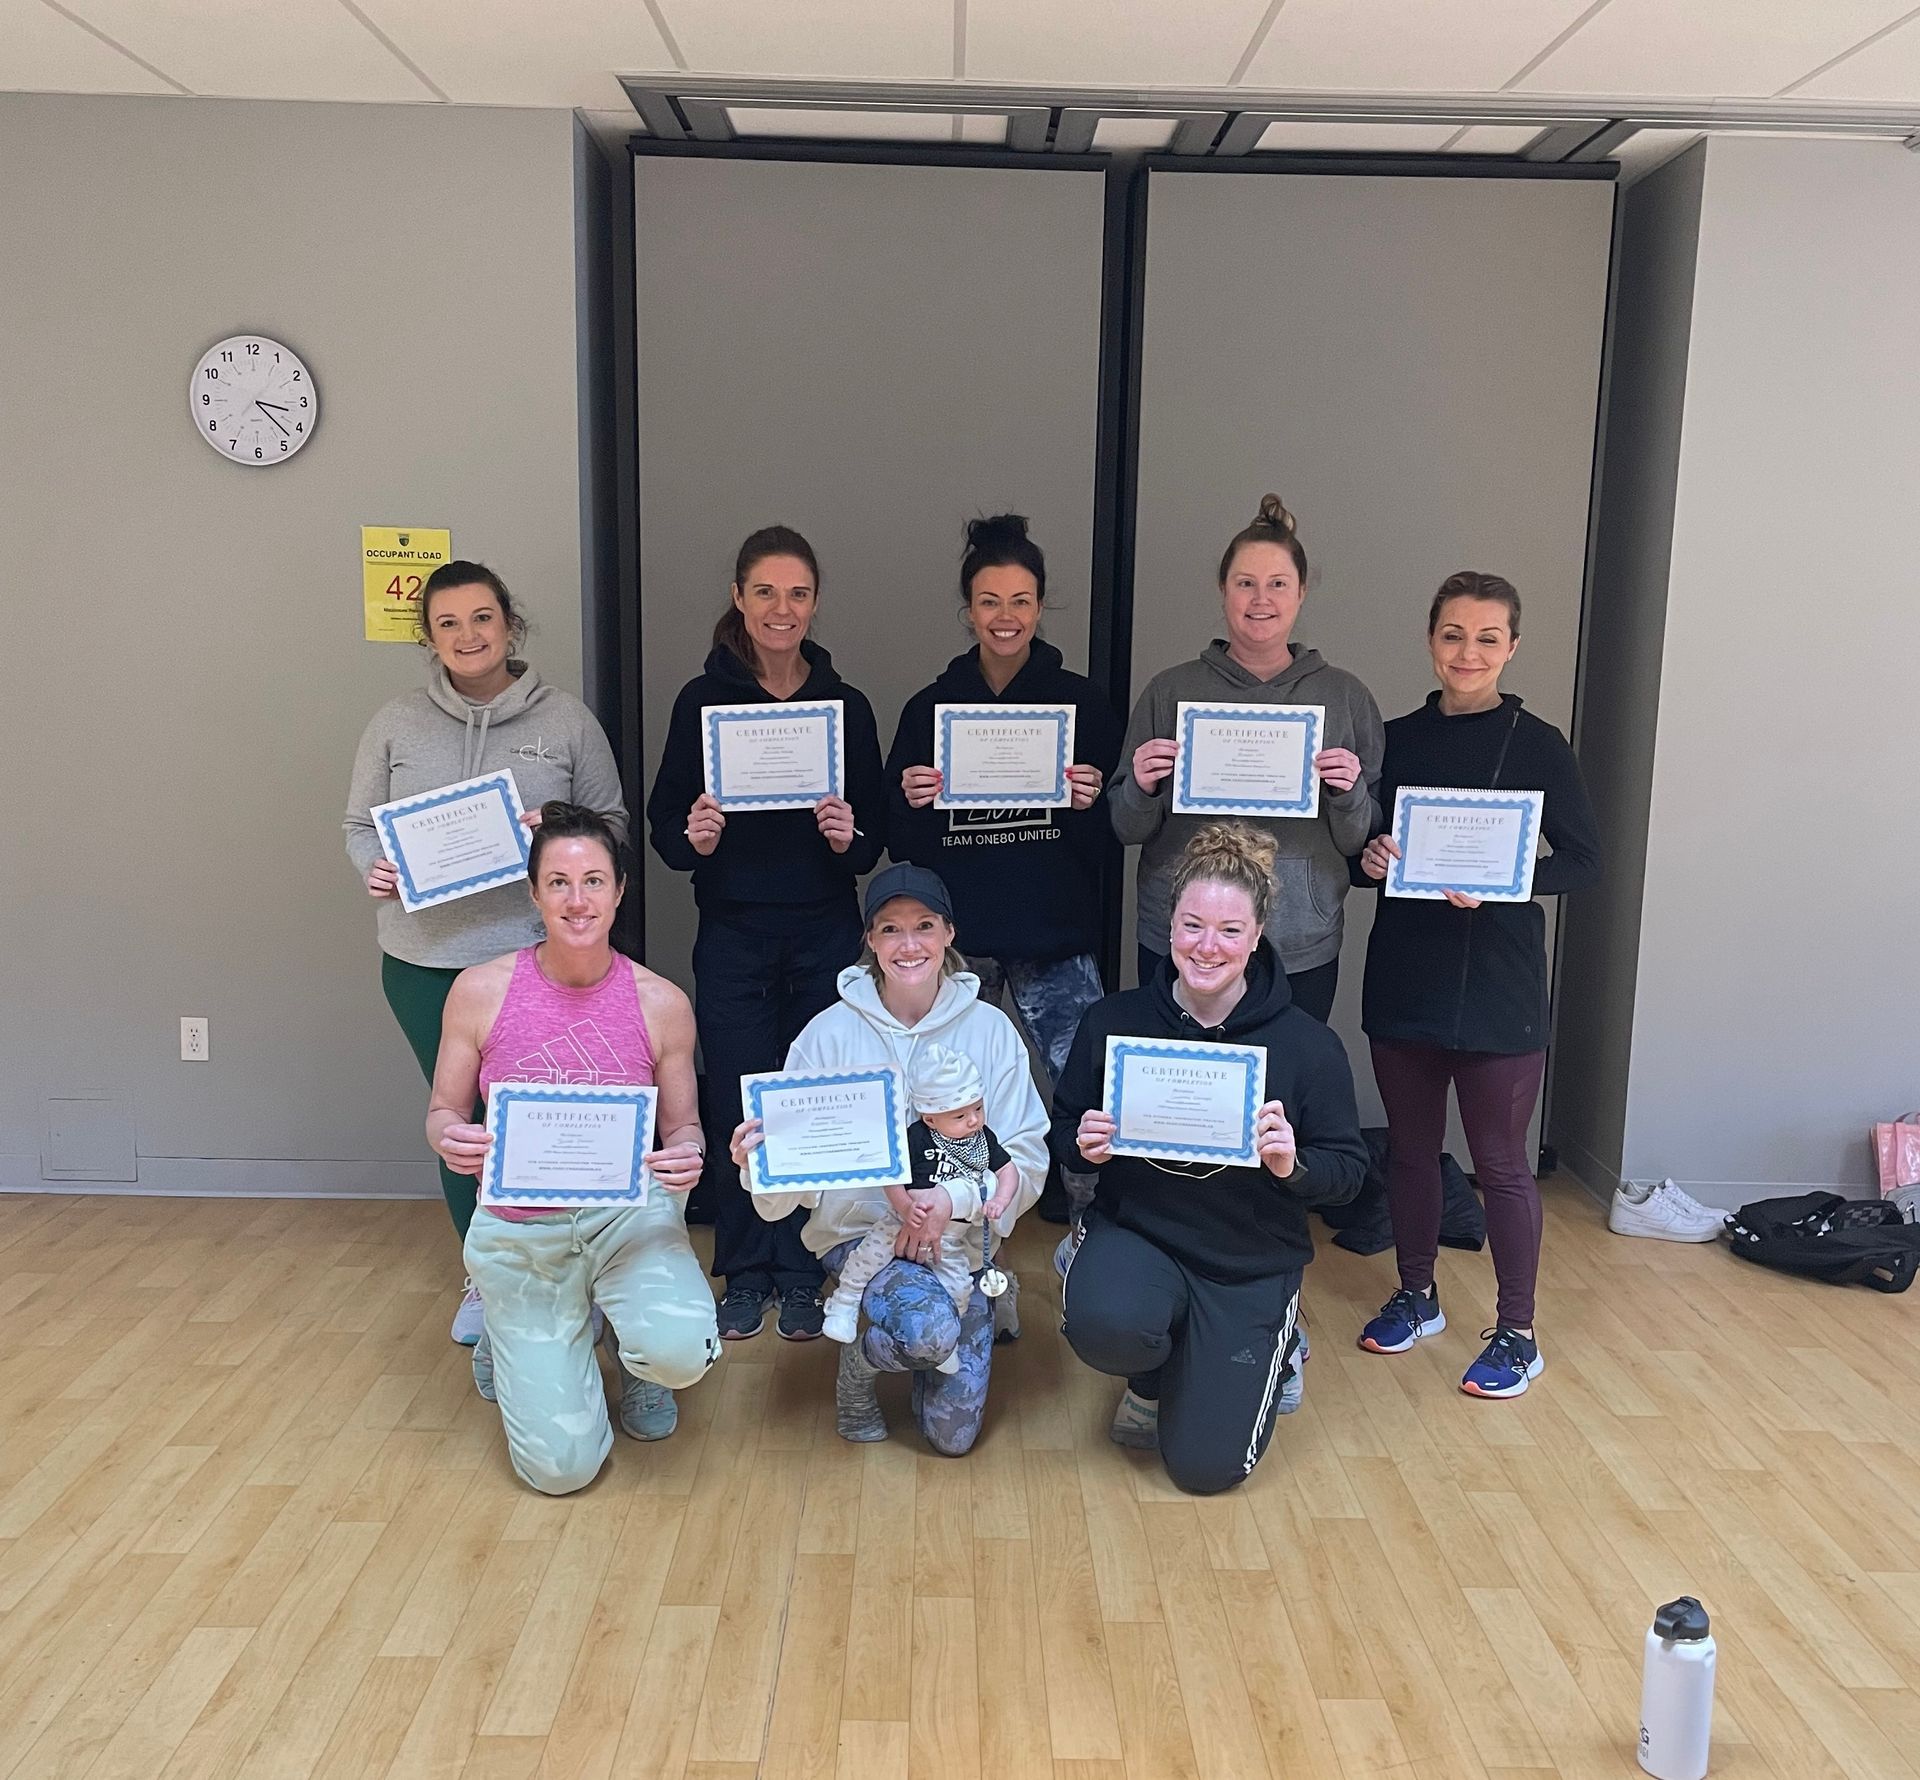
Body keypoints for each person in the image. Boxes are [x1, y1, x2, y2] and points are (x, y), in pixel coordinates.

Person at [345, 561, 628, 1346]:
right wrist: (373, 867)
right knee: (463, 1121)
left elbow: (611, 822)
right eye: (448, 624)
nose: (468, 636)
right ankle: (486, 1272)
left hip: (530, 956)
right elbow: (358, 825)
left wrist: (558, 826)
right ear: (429, 638)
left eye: (482, 619)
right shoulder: (396, 722)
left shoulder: (565, 720)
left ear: (509, 625)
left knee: (546, 1114)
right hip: (424, 959)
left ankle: (574, 1269)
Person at [1053, 823, 1367, 1495]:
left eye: (1230, 931)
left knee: (1203, 1471)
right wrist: (1082, 1144)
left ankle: (1276, 1348)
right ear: (1170, 926)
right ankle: (1152, 1370)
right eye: (1193, 925)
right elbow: (1060, 1128)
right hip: (1142, 1236)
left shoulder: (1307, 1047)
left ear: (1257, 938)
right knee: (1102, 1323)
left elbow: (1349, 1172)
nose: (1207, 946)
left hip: (1248, 1260)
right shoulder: (1113, 1023)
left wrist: (1293, 1165)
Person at [1352, 572, 1601, 1399]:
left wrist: (1508, 879)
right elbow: (1363, 852)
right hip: (1407, 977)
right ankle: (1417, 1294)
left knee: (1499, 1164)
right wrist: (1371, 858)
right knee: (1413, 1153)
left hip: (1498, 986)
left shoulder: (1540, 744)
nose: (1469, 652)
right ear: (1431, 640)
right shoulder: (1394, 739)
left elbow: (1585, 861)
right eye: (1454, 634)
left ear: (1513, 648)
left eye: (1487, 638)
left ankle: (1518, 1333)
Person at [425, 803, 719, 1495]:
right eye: (558, 882)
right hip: (522, 1229)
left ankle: (639, 1359)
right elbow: (441, 1111)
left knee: (682, 1354)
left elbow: (684, 1129)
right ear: (534, 892)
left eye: (593, 880)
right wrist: (451, 1137)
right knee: (561, 1472)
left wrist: (688, 1155)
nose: (577, 899)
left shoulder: (661, 1001)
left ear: (620, 889)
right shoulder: (479, 992)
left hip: (626, 1216)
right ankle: (517, 1328)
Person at [646, 526, 886, 1344]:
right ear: (740, 601)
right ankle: (746, 1272)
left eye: (798, 594)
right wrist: (697, 838)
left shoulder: (845, 707)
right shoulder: (700, 702)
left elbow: (874, 837)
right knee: (740, 1104)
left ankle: (804, 1267)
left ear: (815, 603)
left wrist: (850, 833)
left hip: (824, 931)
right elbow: (664, 830)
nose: (781, 610)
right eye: (765, 593)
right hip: (735, 933)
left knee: (815, 1102)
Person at [730, 863, 1048, 1452]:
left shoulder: (991, 1030)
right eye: (890, 929)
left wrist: (948, 1202)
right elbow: (782, 1201)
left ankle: (934, 1322)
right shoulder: (826, 1035)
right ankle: (861, 1368)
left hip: (960, 1242)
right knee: (928, 1334)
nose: (908, 945)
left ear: (949, 934)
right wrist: (759, 1166)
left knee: (952, 1439)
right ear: (870, 942)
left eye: (924, 926)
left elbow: (1025, 1156)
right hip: (862, 1240)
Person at [886, 514, 1123, 1229]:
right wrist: (913, 800)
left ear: (1041, 605)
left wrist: (1089, 801)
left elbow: (1118, 832)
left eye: (1020, 601)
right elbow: (896, 843)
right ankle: (962, 1232)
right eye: (990, 602)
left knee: (1086, 1084)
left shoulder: (1082, 703)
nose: (1006, 617)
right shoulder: (930, 708)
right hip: (963, 943)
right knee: (949, 1090)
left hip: (1055, 934)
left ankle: (1092, 1226)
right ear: (969, 611)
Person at [1108, 496, 1382, 1020]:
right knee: (1187, 1090)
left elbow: (1356, 841)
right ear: (1223, 590)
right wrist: (1140, 788)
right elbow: (1125, 828)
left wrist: (1349, 795)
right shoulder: (1171, 691)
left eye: (1278, 583)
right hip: (1187, 938)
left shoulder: (1344, 697)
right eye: (1245, 583)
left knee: (1283, 1092)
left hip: (1300, 936)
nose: (1262, 599)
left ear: (1301, 592)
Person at [820, 1046, 1018, 1364]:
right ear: (930, 1117)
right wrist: (903, 1208)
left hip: (952, 1236)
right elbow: (891, 1175)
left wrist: (1000, 1200)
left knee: (959, 1285)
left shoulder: (983, 1138)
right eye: (960, 1115)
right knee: (870, 1255)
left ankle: (947, 1341)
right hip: (903, 1222)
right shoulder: (917, 1138)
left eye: (978, 1109)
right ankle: (844, 1302)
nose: (973, 1120)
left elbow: (1008, 1170)